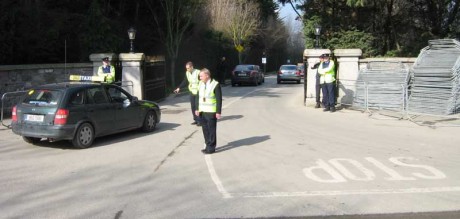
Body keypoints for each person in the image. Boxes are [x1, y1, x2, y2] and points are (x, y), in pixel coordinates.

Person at [194, 68, 222, 154]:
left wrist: (218, 112)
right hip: (202, 111)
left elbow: (219, 99)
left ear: (207, 75)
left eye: (201, 76)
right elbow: (197, 97)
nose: (200, 78)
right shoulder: (200, 84)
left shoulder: (215, 84)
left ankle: (211, 148)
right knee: (205, 129)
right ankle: (207, 145)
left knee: (211, 130)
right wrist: (197, 108)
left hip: (211, 112)